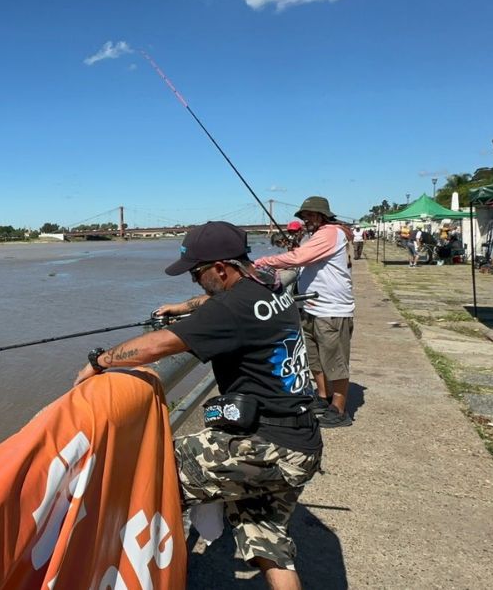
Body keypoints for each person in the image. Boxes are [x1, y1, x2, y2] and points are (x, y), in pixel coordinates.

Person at [74, 221, 321, 590]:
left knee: (149, 472)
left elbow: (158, 346)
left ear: (221, 268)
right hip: (301, 441)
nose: (193, 281)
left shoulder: (234, 308)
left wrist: (98, 362)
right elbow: (214, 300)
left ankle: (146, 574)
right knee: (270, 543)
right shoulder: (266, 282)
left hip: (264, 444)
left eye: (196, 273)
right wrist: (183, 307)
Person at [253, 196, 355, 428]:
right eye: (304, 216)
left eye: (309, 215)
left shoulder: (330, 232)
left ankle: (339, 409)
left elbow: (300, 257)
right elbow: (304, 256)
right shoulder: (317, 235)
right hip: (311, 305)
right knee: (315, 358)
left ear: (321, 216)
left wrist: (262, 262)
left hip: (332, 308)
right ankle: (322, 397)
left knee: (335, 361)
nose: (305, 219)